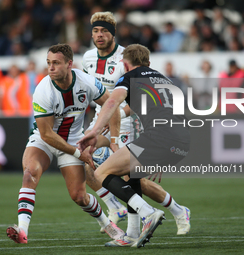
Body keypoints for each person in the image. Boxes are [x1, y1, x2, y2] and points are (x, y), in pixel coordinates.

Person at [82, 12, 191, 243]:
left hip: (157, 139)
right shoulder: (163, 79)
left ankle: (148, 213)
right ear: (149, 62)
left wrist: (94, 130)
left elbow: (112, 101)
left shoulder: (130, 77)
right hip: (179, 141)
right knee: (133, 174)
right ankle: (131, 234)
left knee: (102, 172)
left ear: (124, 63)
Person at [6, 44, 124, 244]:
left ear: (70, 64)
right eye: (49, 63)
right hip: (45, 140)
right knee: (29, 173)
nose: (51, 68)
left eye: (56, 63)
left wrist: (114, 140)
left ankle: (108, 225)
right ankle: (22, 230)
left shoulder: (86, 81)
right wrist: (79, 154)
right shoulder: (43, 90)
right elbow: (46, 134)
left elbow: (112, 105)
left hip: (73, 141)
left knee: (79, 197)